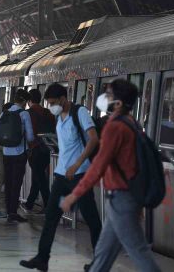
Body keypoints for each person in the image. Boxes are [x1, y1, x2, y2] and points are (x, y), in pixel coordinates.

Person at [60, 79, 161, 272]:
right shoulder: (131, 123)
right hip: (123, 198)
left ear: (118, 103)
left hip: (122, 198)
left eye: (108, 95)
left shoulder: (114, 128)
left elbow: (98, 165)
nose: (103, 98)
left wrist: (75, 194)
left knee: (138, 250)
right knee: (103, 255)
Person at [20, 83, 102, 271]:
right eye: (49, 103)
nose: (52, 106)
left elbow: (94, 139)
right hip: (62, 174)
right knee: (51, 217)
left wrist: (77, 163)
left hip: (80, 174)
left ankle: (100, 261)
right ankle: (42, 258)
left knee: (91, 219)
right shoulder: (59, 116)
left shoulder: (80, 113)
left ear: (63, 99)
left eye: (54, 102)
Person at [1, 89, 35, 223]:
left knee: (8, 182)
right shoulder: (24, 114)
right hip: (20, 153)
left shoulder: (4, 113)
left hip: (6, 153)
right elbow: (30, 136)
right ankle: (13, 212)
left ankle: (8, 211)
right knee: (16, 183)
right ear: (25, 101)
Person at [20, 89, 56, 213]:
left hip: (33, 149)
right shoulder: (48, 113)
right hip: (46, 148)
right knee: (38, 175)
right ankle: (30, 203)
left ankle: (49, 205)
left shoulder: (27, 113)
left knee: (40, 178)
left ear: (29, 100)